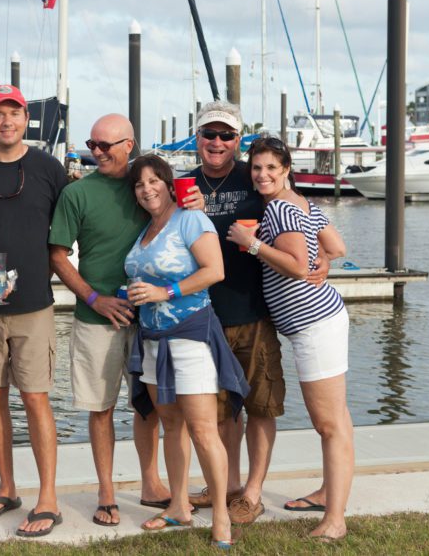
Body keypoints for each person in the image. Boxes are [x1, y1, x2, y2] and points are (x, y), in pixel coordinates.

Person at [227, 136, 352, 542]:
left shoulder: (281, 208)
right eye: (256, 168)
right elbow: (337, 246)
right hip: (323, 320)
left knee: (328, 425)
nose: (262, 175)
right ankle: (328, 493)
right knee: (339, 420)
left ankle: (335, 521)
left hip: (314, 326)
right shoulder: (302, 203)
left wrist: (253, 245)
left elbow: (297, 267)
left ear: (285, 171)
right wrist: (326, 262)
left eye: (271, 169)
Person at [48, 114, 170, 528]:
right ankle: (106, 492)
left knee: (151, 405)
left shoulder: (149, 187)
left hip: (150, 315)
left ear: (129, 145)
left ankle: (151, 482)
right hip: (96, 317)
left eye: (106, 145)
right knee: (100, 408)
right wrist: (94, 298)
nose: (96, 152)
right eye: (92, 145)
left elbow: (183, 222)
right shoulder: (77, 193)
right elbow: (58, 256)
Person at [123, 154, 247, 547]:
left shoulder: (190, 218)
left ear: (167, 182)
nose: (147, 189)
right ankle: (178, 506)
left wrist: (166, 291)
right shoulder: (145, 230)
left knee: (203, 430)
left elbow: (214, 271)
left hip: (190, 336)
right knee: (171, 426)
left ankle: (222, 517)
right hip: (152, 340)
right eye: (140, 184)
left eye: (154, 180)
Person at [0, 84, 68, 538]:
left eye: (15, 113)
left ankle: (48, 497)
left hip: (33, 305)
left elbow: (72, 224)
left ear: (27, 119)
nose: (6, 122)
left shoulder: (49, 168)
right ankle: (6, 487)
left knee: (35, 398)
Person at [180, 101, 286, 526]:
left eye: (226, 136)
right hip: (205, 316)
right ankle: (229, 484)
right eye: (210, 135)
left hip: (255, 311)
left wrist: (320, 257)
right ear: (198, 138)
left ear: (238, 141)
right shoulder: (182, 184)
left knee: (260, 406)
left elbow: (296, 216)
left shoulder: (255, 176)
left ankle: (254, 492)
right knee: (222, 411)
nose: (217, 143)